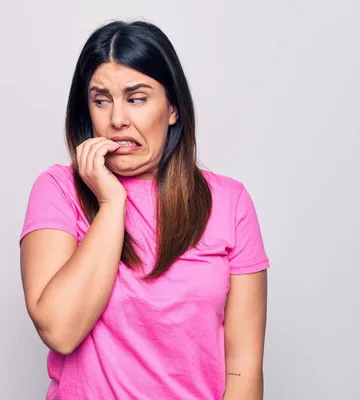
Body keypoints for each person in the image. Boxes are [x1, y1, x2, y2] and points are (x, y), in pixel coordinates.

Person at [19, 19, 269, 400]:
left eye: (136, 98)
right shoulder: (58, 189)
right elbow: (60, 330)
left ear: (172, 109)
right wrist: (111, 201)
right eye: (101, 100)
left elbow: (244, 369)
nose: (117, 119)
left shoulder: (229, 202)